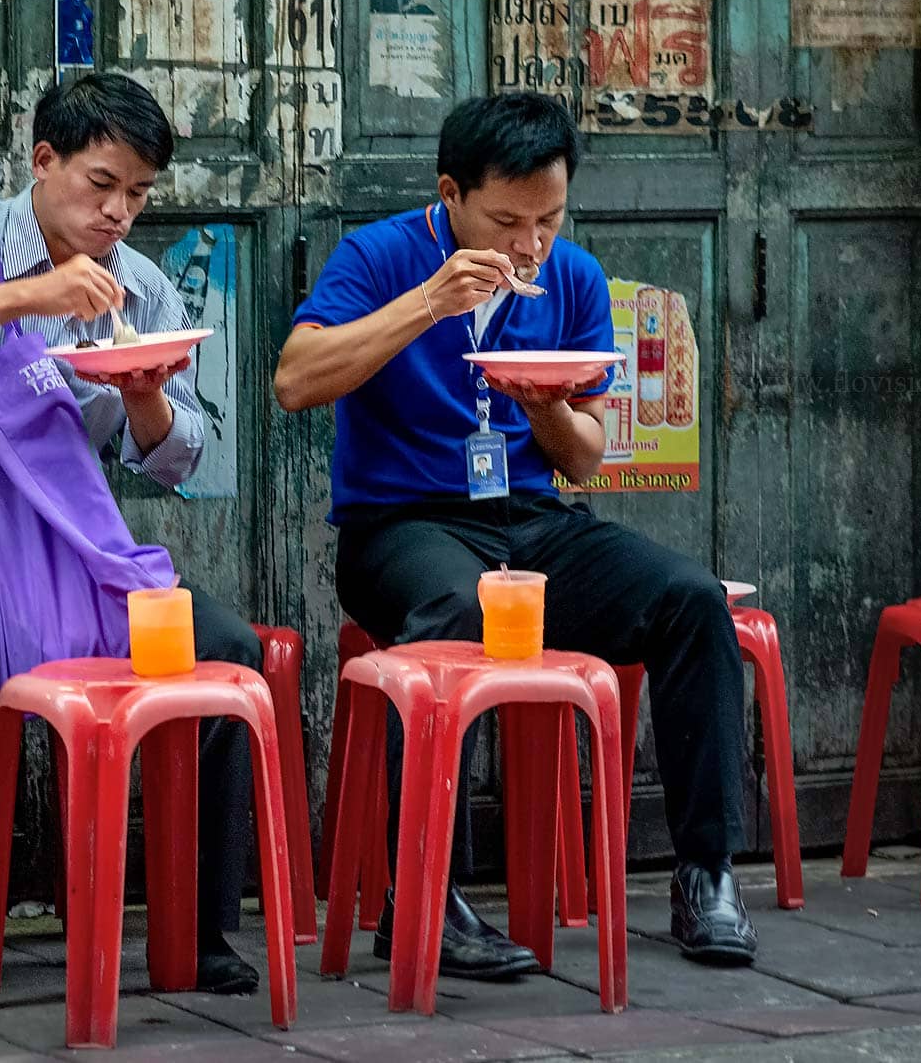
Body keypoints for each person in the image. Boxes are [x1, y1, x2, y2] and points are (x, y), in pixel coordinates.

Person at [273, 92, 756, 976]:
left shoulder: (568, 276)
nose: (530, 242)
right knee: (454, 607)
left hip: (532, 521)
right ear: (452, 193)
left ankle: (706, 874)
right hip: (401, 524)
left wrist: (547, 412)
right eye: (506, 219)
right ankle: (425, 899)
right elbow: (296, 380)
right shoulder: (380, 255)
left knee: (689, 600)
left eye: (549, 217)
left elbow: (585, 461)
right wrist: (426, 303)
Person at [0, 72, 265, 1006]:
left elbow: (175, 456)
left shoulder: (142, 287)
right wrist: (28, 293)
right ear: (44, 161)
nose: (118, 212)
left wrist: (149, 396)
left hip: (68, 540)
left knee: (225, 655)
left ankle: (196, 934)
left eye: (140, 194)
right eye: (101, 183)